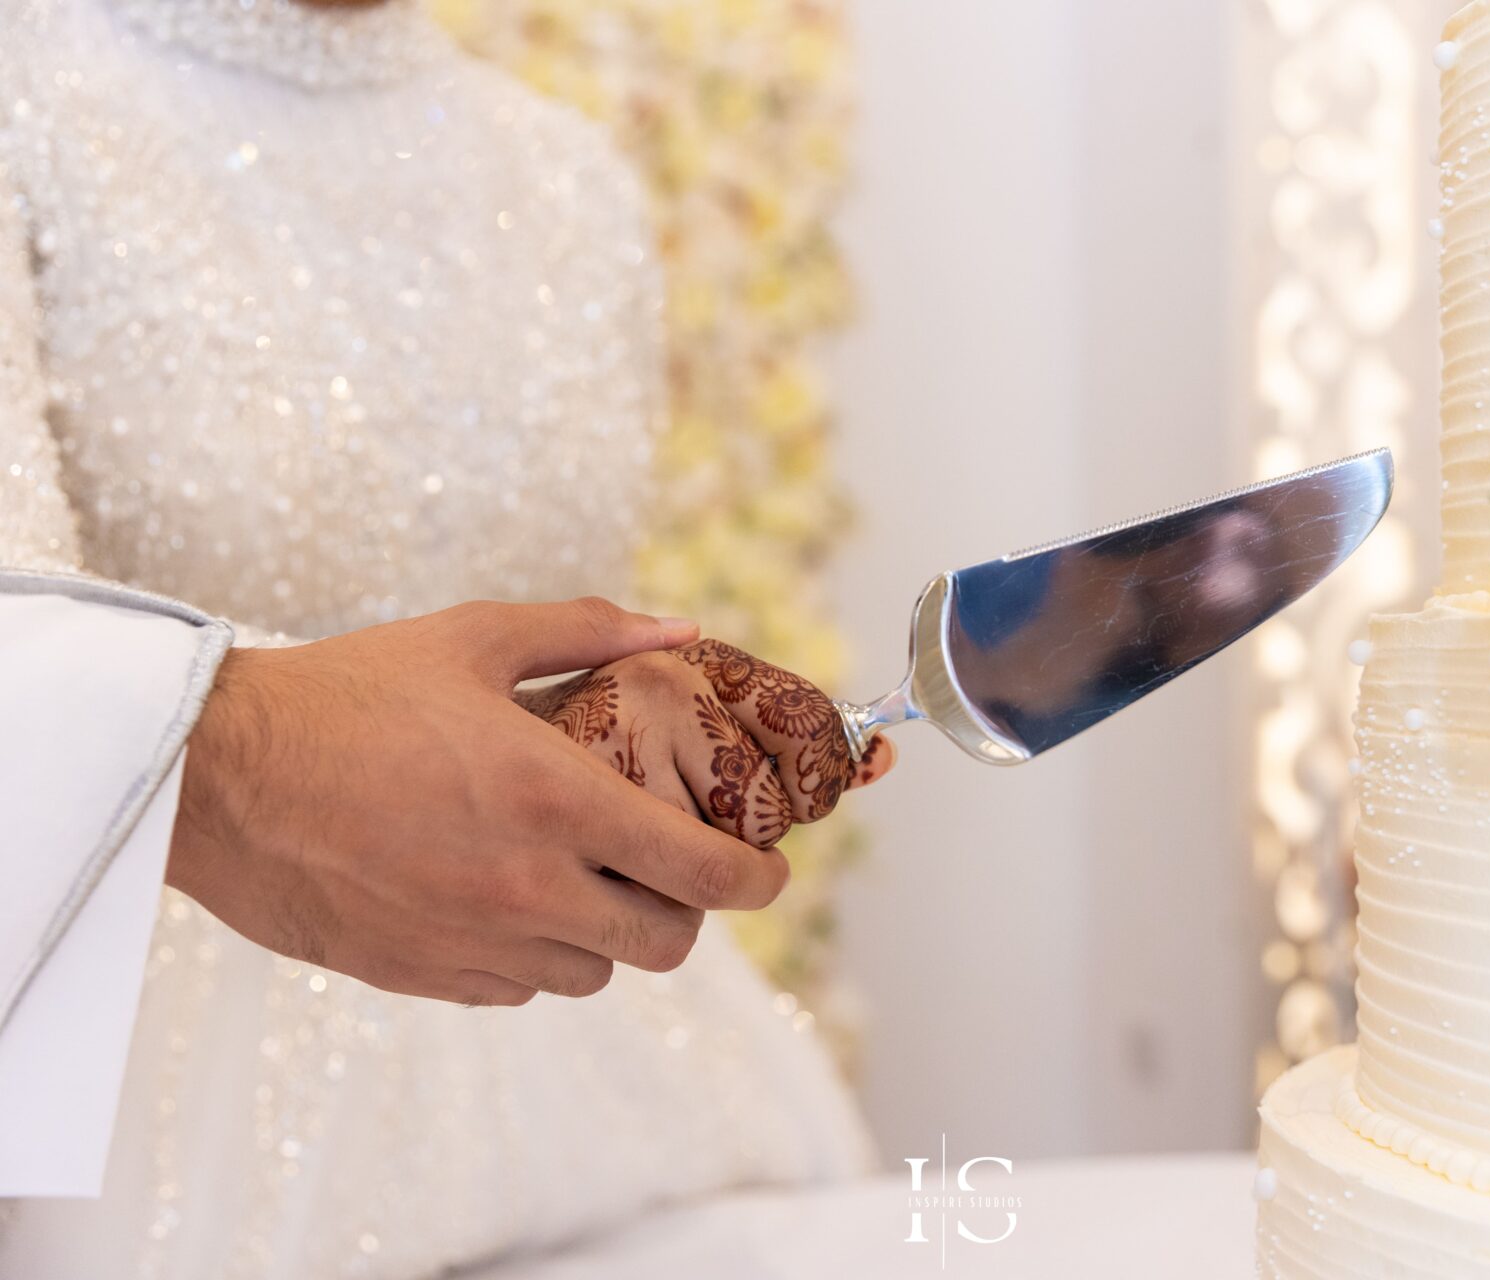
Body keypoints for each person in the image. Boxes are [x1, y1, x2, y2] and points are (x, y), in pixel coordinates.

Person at [0, 0, 894, 1274]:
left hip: (594, 1058)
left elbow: (521, 632)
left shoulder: (566, 173)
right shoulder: (28, 97)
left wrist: (621, 721)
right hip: (154, 1107)